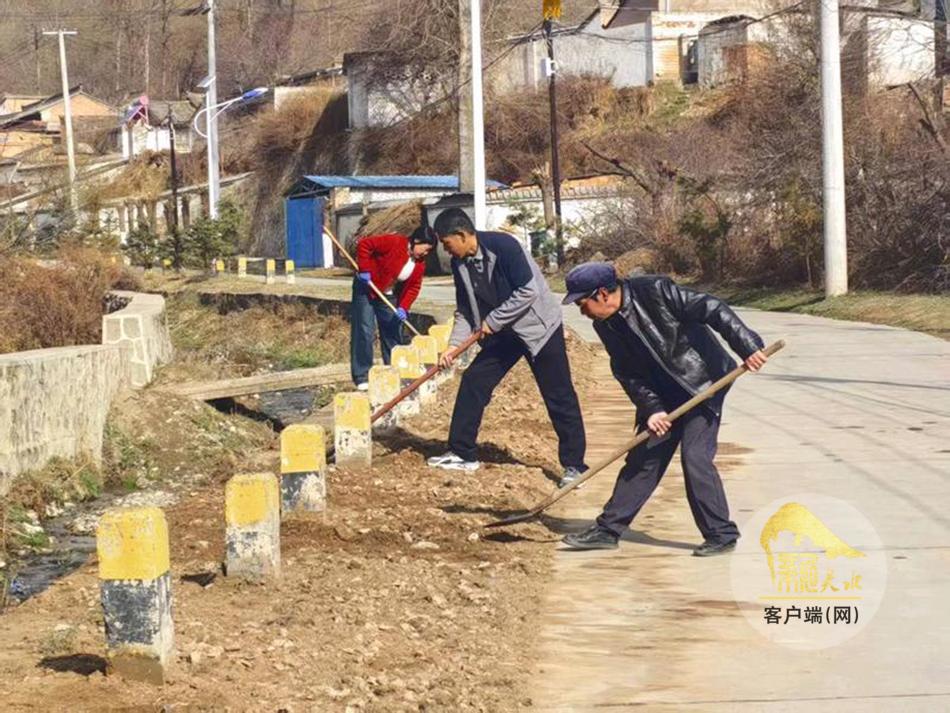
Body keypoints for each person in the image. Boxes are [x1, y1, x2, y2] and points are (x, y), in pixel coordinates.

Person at [560, 262, 768, 556]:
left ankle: (721, 535)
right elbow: (626, 372)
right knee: (645, 458)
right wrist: (653, 409)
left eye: (583, 303)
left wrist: (747, 345)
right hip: (662, 394)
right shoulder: (605, 325)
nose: (582, 312)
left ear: (602, 293)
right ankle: (608, 530)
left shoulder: (655, 291)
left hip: (703, 383)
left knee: (695, 457)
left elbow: (712, 308)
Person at [426, 208, 587, 484]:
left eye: (446, 243)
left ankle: (575, 466)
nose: (445, 249)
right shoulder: (459, 264)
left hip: (539, 329)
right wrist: (453, 347)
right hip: (503, 334)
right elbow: (465, 309)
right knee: (474, 381)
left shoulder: (504, 247)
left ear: (462, 235)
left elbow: (528, 291)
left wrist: (493, 320)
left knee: (558, 394)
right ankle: (462, 453)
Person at [350, 225, 436, 389]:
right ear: (417, 241)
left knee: (393, 329)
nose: (426, 254)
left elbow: (413, 288)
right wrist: (365, 269)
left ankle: (394, 369)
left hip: (387, 294)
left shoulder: (419, 264)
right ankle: (362, 376)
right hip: (366, 288)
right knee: (365, 329)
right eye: (425, 249)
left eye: (429, 251)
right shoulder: (395, 242)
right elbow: (365, 244)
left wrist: (403, 307)